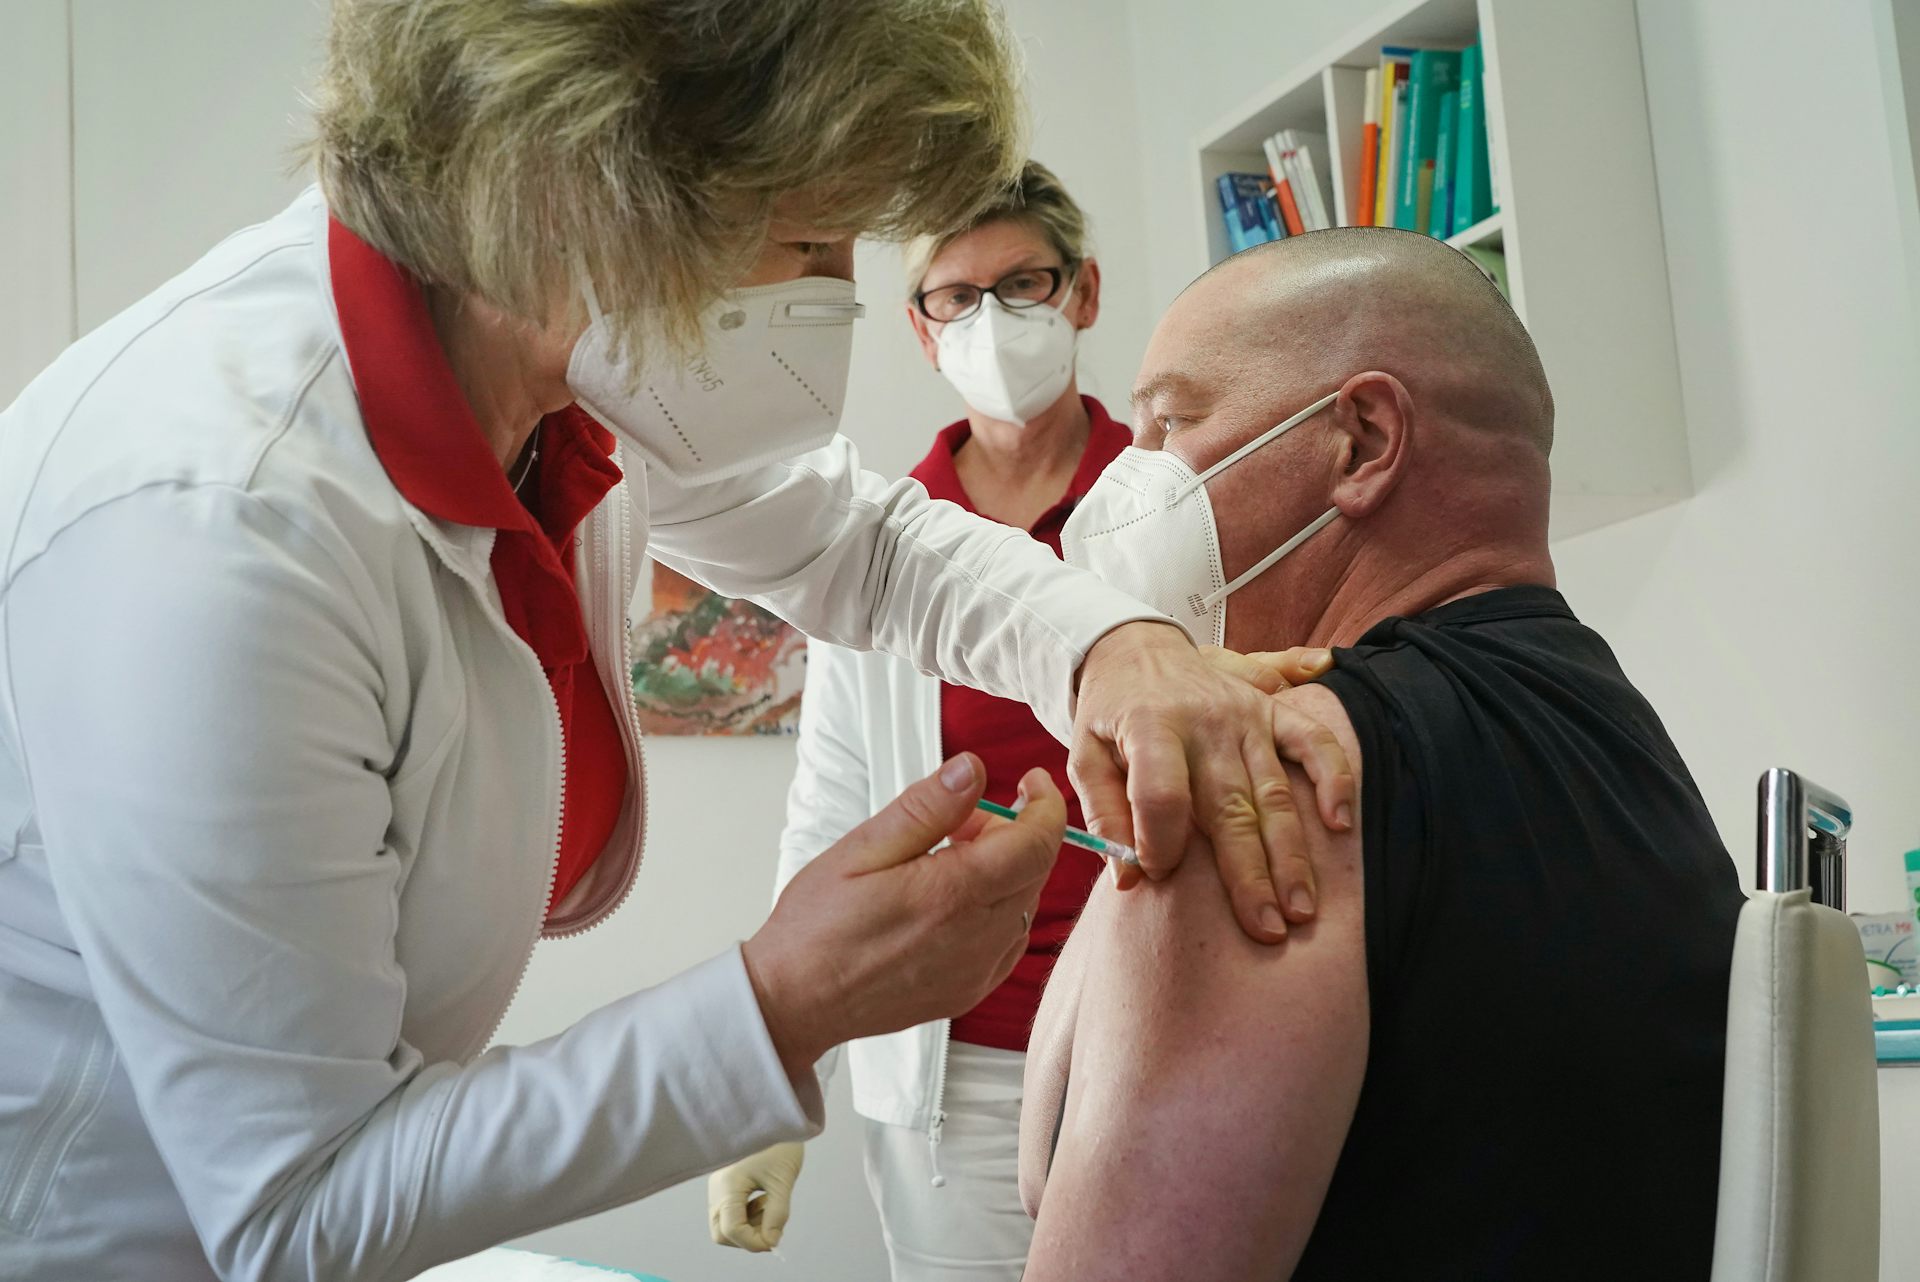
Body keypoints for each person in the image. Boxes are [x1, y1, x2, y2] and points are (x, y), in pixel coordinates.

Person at [0, 6, 1363, 1280]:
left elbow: (864, 544)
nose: (832, 306)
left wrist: (1107, 646)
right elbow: (299, 1205)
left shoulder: (554, 354)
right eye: (812, 240)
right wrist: (781, 1008)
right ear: (583, 182)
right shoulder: (221, 531)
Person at [1018, 228, 1748, 1280]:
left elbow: (1053, 1189)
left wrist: (1155, 771)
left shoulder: (1269, 779)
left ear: (1360, 441)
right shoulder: (1622, 747)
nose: (1123, 491)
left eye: (1171, 422)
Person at [705, 162, 1315, 1278]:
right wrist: (779, 1087)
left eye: (1022, 284)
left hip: (1174, 1031)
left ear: (1081, 292)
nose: (991, 319)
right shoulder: (880, 544)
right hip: (961, 1070)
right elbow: (833, 819)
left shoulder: (1177, 508)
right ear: (920, 326)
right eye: (955, 294)